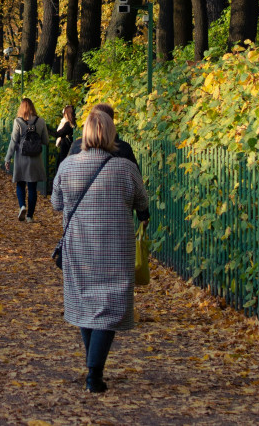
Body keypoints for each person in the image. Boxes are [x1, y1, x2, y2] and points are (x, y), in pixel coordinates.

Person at [50, 110, 149, 394]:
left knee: (84, 302)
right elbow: (141, 200)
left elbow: (56, 203)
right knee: (109, 304)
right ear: (111, 134)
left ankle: (94, 368)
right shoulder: (126, 168)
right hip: (115, 247)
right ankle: (94, 374)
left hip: (79, 246)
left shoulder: (67, 167)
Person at [4, 98, 49, 222]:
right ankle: (30, 216)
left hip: (21, 159)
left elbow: (13, 141)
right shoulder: (41, 122)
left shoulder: (18, 122)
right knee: (32, 187)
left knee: (20, 183)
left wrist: (8, 158)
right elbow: (46, 141)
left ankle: (22, 206)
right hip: (35, 160)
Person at [67, 103, 139, 171]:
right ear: (110, 122)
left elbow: (67, 171)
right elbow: (136, 177)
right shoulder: (123, 148)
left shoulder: (77, 146)